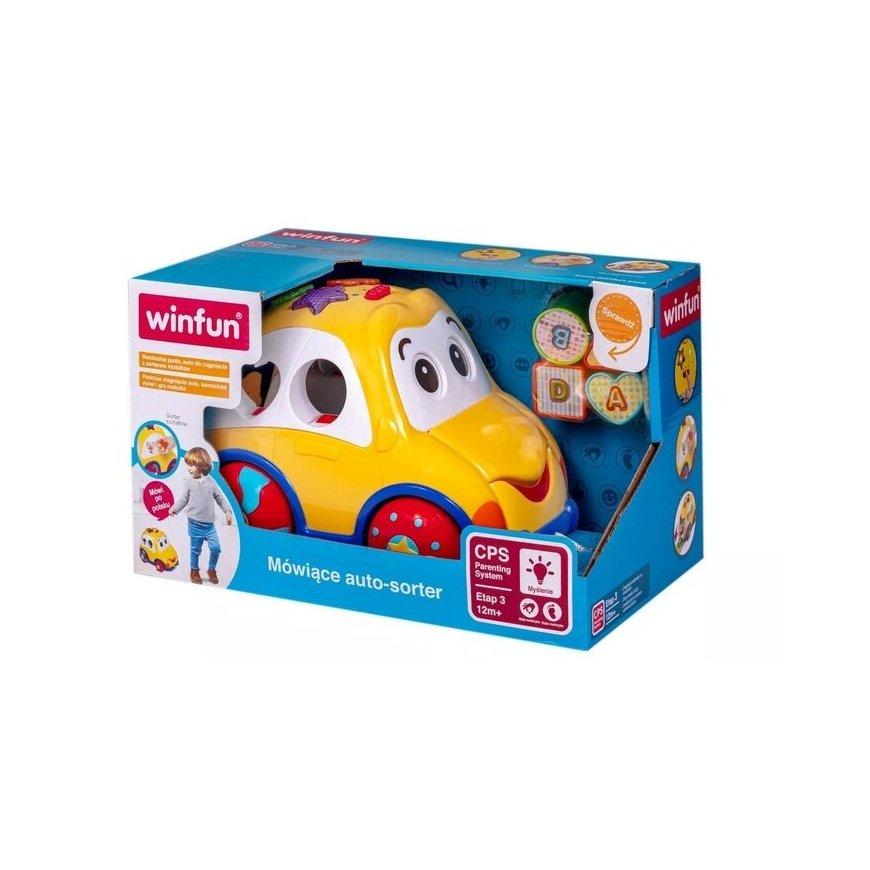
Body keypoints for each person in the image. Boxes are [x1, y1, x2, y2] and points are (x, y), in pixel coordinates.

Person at [168, 447, 232, 584]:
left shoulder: (211, 483)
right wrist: (175, 509)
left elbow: (220, 498)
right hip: (194, 524)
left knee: (216, 548)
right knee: (195, 550)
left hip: (209, 526)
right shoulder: (189, 483)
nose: (189, 469)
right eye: (188, 465)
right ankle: (194, 570)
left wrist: (227, 511)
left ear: (201, 465)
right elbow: (184, 499)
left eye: (192, 465)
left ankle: (211, 569)